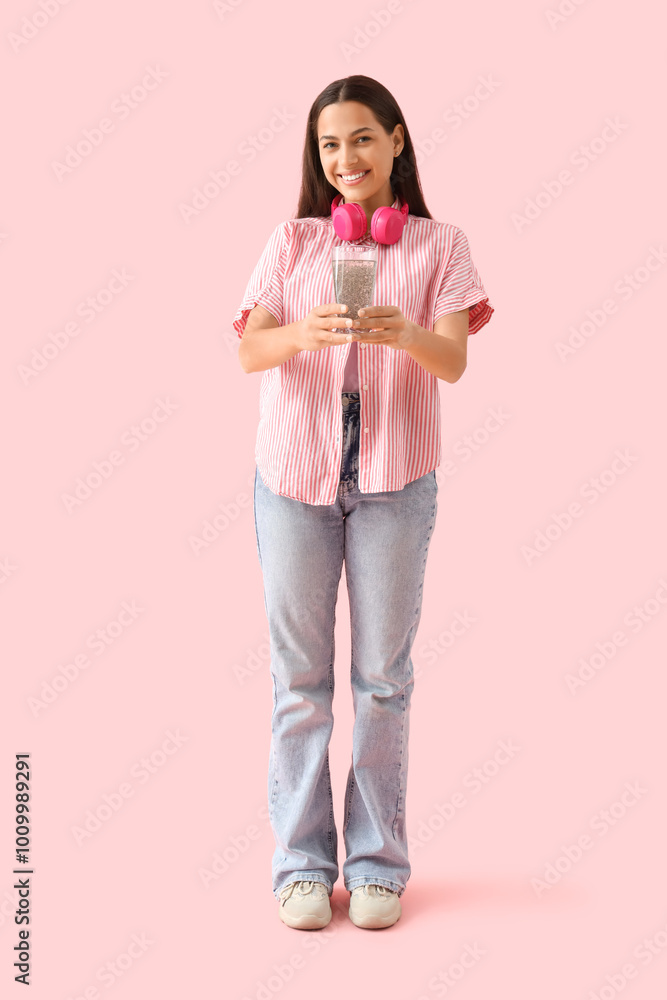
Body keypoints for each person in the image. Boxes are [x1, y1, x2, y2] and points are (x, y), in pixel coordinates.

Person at [233, 74, 494, 931]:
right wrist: (300, 334)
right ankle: (301, 867)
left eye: (360, 140)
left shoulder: (440, 245)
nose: (345, 159)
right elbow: (249, 352)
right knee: (297, 682)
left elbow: (452, 362)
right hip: (294, 476)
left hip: (395, 479)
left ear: (395, 143)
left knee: (383, 679)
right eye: (328, 145)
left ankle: (377, 864)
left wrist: (405, 332)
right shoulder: (293, 241)